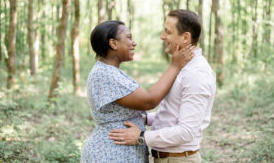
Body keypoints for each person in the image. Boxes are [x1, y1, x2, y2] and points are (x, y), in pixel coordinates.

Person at [109, 10, 216, 163]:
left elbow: (186, 131)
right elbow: (173, 113)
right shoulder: (182, 66)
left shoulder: (196, 73)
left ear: (185, 37)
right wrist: (146, 118)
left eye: (168, 32)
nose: (162, 36)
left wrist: (141, 137)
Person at [81, 20, 194, 163]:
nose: (134, 43)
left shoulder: (108, 71)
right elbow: (149, 100)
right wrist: (175, 65)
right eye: (128, 37)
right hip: (110, 154)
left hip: (119, 152)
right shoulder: (105, 74)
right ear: (113, 43)